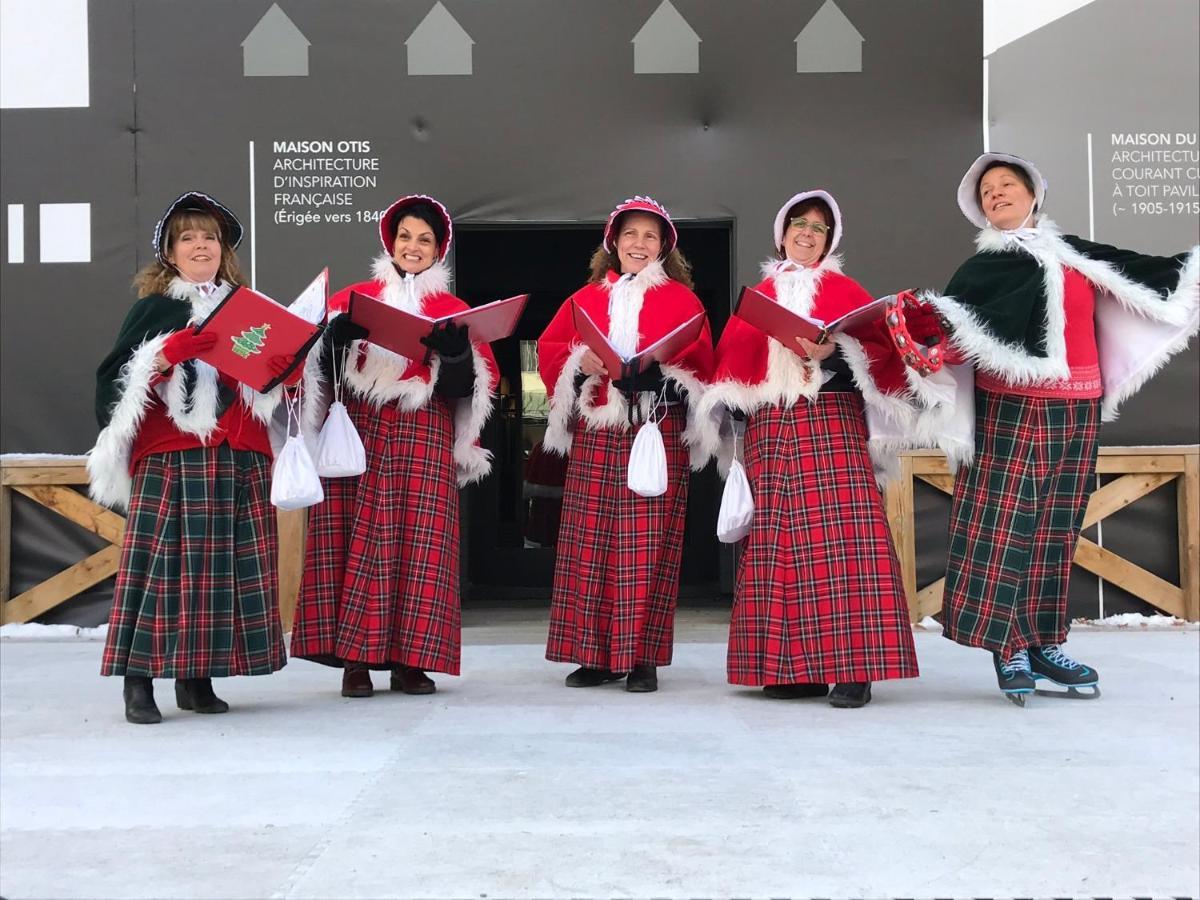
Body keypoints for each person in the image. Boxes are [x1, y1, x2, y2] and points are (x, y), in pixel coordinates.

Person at [926, 152, 1198, 704]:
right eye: (987, 193)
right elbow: (952, 328)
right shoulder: (983, 269)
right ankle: (1008, 646)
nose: (996, 194)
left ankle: (1045, 640)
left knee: (1056, 527)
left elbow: (1152, 276)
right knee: (1006, 529)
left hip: (1078, 407)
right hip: (1014, 409)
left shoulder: (1075, 253)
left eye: (1007, 185)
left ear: (1033, 195)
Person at [696, 190, 927, 708]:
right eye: (799, 223)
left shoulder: (847, 291)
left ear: (830, 239)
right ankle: (792, 667)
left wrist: (835, 353)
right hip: (773, 429)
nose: (807, 232)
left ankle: (855, 668)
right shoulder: (759, 294)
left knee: (847, 544)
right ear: (782, 233)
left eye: (819, 227)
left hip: (832, 422)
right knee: (779, 546)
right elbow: (731, 374)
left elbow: (880, 363)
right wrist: (737, 402)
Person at [90, 192, 300, 724]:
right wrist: (161, 356)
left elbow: (269, 385)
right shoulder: (154, 310)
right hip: (173, 454)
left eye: (209, 236)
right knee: (160, 569)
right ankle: (137, 682)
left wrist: (287, 372)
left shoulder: (250, 308)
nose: (200, 244)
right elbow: (114, 382)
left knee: (218, 573)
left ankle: (196, 677)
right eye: (188, 237)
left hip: (237, 454)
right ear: (170, 253)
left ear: (223, 248)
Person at [290, 194, 498, 697]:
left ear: (438, 250)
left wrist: (452, 359)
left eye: (424, 239)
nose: (413, 246)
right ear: (391, 241)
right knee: (357, 541)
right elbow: (312, 374)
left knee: (421, 545)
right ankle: (355, 662)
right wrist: (335, 344)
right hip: (360, 427)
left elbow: (469, 393)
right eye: (405, 236)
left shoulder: (453, 311)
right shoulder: (352, 296)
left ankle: (412, 661)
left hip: (423, 430)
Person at [537, 196, 714, 693]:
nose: (639, 244)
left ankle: (643, 658)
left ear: (664, 248)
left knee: (649, 545)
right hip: (598, 431)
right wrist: (580, 365)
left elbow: (703, 372)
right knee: (586, 543)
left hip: (655, 433)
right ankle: (593, 655)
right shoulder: (583, 298)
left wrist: (664, 378)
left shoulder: (684, 302)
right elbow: (552, 359)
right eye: (630, 234)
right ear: (613, 242)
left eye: (650, 236)